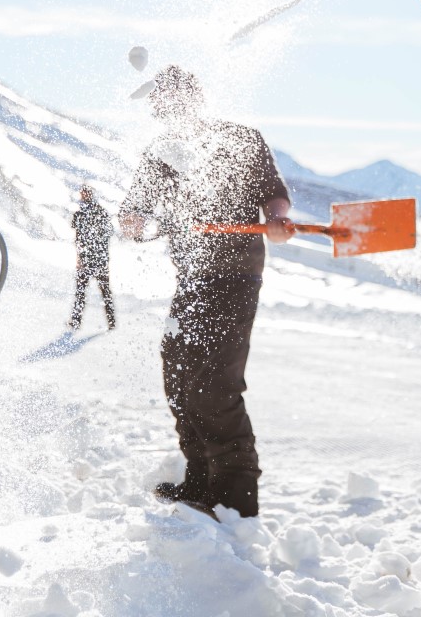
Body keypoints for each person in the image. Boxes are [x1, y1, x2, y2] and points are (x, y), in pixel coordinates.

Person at [119, 64, 294, 519]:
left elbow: (274, 196)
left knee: (215, 384)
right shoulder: (161, 152)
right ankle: (200, 480)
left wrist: (277, 220)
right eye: (162, 99)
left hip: (235, 276)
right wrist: (136, 223)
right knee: (179, 378)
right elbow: (136, 211)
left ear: (196, 98)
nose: (169, 105)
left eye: (178, 96)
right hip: (192, 278)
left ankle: (236, 499)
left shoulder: (241, 139)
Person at [69, 185, 116, 331]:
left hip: (88, 259)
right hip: (99, 259)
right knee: (104, 291)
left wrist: (81, 257)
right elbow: (108, 233)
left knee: (81, 292)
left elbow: (80, 239)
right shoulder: (100, 212)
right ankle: (111, 320)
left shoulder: (81, 214)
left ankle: (76, 321)